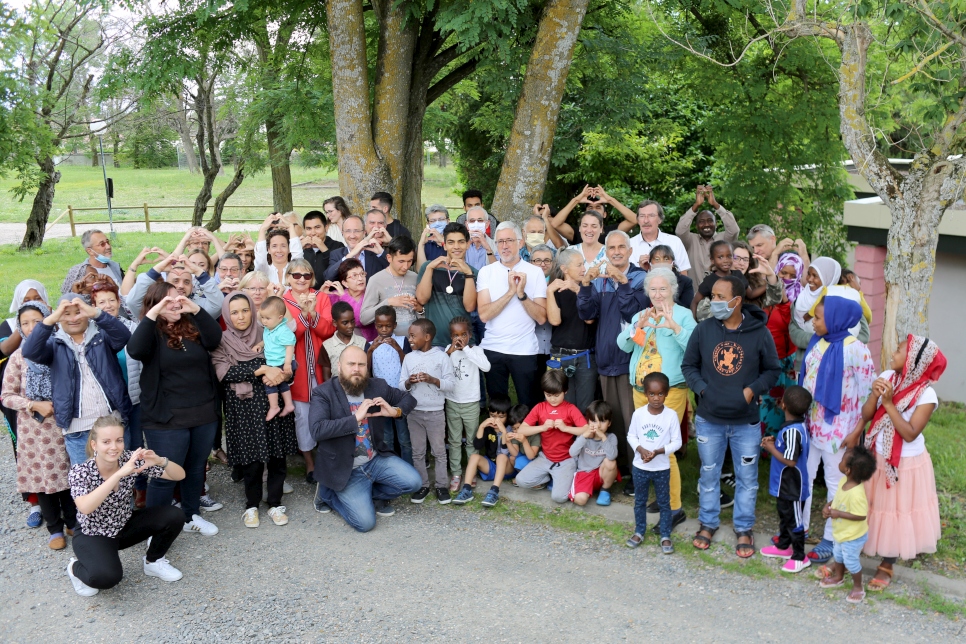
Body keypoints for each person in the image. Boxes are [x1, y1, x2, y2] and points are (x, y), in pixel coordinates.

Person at [682, 275, 780, 557]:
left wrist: (752, 390)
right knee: (709, 473)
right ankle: (708, 523)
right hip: (709, 419)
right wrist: (703, 391)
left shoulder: (759, 332)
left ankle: (744, 527)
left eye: (720, 297)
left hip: (746, 423)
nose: (714, 302)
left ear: (737, 301)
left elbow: (772, 370)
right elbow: (689, 366)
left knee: (747, 478)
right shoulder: (703, 330)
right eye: (712, 296)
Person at [849, 335, 945, 592]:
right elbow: (868, 415)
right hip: (876, 455)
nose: (894, 352)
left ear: (913, 360)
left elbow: (910, 432)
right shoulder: (889, 376)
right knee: (872, 505)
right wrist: (874, 395)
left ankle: (887, 563)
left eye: (900, 350)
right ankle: (855, 550)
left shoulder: (927, 394)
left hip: (904, 462)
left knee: (895, 511)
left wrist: (889, 403)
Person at [128, 282, 223, 537]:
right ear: (155, 304)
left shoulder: (192, 326)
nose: (174, 304)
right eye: (166, 301)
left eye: (178, 299)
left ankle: (191, 515)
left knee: (195, 467)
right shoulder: (150, 332)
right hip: (166, 418)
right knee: (164, 472)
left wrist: (196, 309)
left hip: (203, 412)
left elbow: (215, 339)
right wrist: (153, 314)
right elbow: (135, 350)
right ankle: (155, 527)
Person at [66, 414, 187, 596]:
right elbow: (85, 507)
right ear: (94, 445)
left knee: (175, 515)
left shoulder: (130, 460)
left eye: (119, 440)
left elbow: (179, 476)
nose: (114, 447)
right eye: (106, 442)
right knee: (106, 578)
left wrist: (160, 461)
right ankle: (74, 568)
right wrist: (119, 474)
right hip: (93, 533)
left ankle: (153, 562)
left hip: (124, 524)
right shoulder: (80, 472)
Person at [798, 294, 874, 564]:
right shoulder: (818, 344)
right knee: (803, 477)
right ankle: (800, 528)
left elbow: (868, 395)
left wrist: (857, 431)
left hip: (840, 432)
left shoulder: (856, 349)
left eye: (818, 318)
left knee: (834, 484)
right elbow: (807, 381)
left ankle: (830, 538)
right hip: (811, 424)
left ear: (834, 319)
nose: (814, 323)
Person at [211, 292, 298, 529]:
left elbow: (287, 361)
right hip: (243, 409)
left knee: (277, 457)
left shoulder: (268, 331)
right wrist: (261, 370)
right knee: (251, 460)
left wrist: (281, 372)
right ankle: (251, 505)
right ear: (227, 315)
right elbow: (225, 373)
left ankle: (275, 503)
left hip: (273, 404)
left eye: (245, 310)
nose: (241, 316)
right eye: (235, 312)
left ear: (254, 311)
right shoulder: (222, 340)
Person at [309, 346, 420, 530]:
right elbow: (317, 430)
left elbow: (408, 398)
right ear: (339, 366)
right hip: (346, 470)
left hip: (375, 460)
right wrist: (355, 419)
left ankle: (373, 496)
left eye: (361, 364)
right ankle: (328, 495)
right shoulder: (323, 393)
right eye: (351, 364)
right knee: (365, 523)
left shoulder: (377, 386)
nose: (356, 369)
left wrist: (395, 411)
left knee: (414, 482)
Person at [617, 267, 695, 526]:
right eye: (653, 289)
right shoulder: (643, 314)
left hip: (669, 391)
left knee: (664, 450)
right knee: (646, 447)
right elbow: (623, 345)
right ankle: (662, 499)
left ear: (673, 289)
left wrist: (674, 327)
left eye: (663, 289)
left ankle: (674, 508)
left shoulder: (683, 315)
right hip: (640, 390)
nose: (658, 294)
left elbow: (695, 348)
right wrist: (637, 326)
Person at [22, 293, 132, 466]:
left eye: (78, 311)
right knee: (86, 486)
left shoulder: (101, 336)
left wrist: (96, 313)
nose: (73, 318)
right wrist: (50, 320)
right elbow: (29, 351)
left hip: (113, 423)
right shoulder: (54, 344)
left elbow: (123, 336)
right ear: (58, 316)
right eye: (66, 313)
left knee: (120, 480)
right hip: (78, 430)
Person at [2, 301, 76, 550]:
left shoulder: (59, 348)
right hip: (34, 430)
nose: (31, 327)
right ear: (19, 328)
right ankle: (55, 529)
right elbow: (6, 396)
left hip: (64, 425)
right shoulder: (17, 357)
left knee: (67, 476)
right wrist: (33, 404)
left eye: (37, 320)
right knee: (43, 480)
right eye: (25, 323)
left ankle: (73, 522)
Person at [577, 230, 647, 488]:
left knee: (633, 418)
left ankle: (637, 470)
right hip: (606, 358)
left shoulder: (641, 278)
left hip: (632, 359)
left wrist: (623, 281)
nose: (616, 251)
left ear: (630, 251)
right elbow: (586, 313)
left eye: (621, 247)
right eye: (611, 248)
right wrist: (585, 284)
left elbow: (633, 314)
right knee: (612, 417)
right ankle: (616, 469)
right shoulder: (599, 280)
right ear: (605, 252)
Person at [476, 222, 548, 408]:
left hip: (524, 350)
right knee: (498, 407)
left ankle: (527, 437)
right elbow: (484, 315)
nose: (505, 246)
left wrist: (522, 294)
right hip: (493, 348)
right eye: (500, 242)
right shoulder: (486, 272)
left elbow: (541, 317)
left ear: (521, 242)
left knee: (528, 404)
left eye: (509, 240)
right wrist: (510, 292)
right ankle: (500, 437)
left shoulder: (535, 272)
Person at [90, 280, 149, 507]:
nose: (107, 306)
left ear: (119, 302)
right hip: (106, 406)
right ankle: (114, 493)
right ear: (93, 305)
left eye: (111, 300)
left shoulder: (132, 328)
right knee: (110, 449)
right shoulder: (90, 332)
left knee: (134, 446)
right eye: (101, 302)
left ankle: (140, 488)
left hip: (133, 399)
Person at [280, 259, 336, 485]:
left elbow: (328, 330)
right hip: (298, 369)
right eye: (296, 275)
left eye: (306, 275)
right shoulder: (282, 302)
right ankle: (309, 462)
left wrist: (313, 314)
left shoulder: (322, 297)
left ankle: (326, 457)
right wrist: (305, 315)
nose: (301, 279)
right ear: (288, 277)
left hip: (322, 367)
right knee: (302, 416)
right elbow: (289, 335)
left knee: (325, 412)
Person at [1, 279, 50, 527]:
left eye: (38, 297)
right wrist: (24, 328)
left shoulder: (53, 323)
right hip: (19, 401)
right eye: (26, 298)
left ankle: (65, 505)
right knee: (27, 450)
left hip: (53, 406)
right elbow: (2, 351)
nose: (32, 301)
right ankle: (35, 503)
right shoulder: (10, 326)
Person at [400, 319, 455, 504]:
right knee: (418, 452)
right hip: (414, 413)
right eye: (409, 335)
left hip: (435, 413)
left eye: (413, 336)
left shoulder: (441, 357)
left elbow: (450, 384)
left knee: (439, 452)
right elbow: (400, 385)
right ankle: (422, 485)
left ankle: (441, 486)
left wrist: (433, 380)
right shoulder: (409, 358)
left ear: (427, 337)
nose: (410, 339)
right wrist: (409, 382)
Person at [626, 372, 682, 554]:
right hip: (640, 467)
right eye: (652, 394)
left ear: (666, 393)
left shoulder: (671, 416)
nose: (656, 398)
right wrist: (641, 450)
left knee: (664, 503)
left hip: (661, 468)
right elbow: (631, 435)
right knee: (640, 501)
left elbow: (677, 442)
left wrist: (659, 451)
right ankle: (639, 531)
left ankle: (665, 535)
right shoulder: (639, 414)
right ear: (645, 394)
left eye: (660, 394)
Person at [760, 385, 813, 572]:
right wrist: (776, 444)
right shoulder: (795, 427)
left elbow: (791, 461)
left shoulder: (793, 431)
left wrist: (771, 449)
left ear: (782, 405)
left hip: (793, 486)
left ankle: (800, 556)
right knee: (785, 516)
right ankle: (783, 546)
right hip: (784, 485)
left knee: (794, 521)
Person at [514, 370, 588, 503]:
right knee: (521, 481)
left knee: (558, 498)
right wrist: (542, 427)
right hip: (545, 458)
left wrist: (566, 428)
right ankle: (549, 477)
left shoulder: (570, 409)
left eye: (556, 395)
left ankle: (565, 478)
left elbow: (586, 430)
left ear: (565, 391)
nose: (552, 399)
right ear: (544, 392)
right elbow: (522, 430)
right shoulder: (540, 407)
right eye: (548, 395)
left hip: (566, 460)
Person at [818, 444, 877, 604]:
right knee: (838, 555)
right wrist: (829, 506)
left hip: (853, 536)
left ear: (848, 469)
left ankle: (858, 587)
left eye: (843, 460)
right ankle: (838, 577)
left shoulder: (857, 494)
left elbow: (860, 515)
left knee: (850, 561)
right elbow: (838, 498)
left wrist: (838, 513)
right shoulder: (844, 481)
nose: (841, 460)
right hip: (841, 532)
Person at [546, 248, 597, 414]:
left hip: (585, 357)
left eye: (583, 264)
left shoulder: (589, 289)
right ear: (564, 269)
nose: (584, 268)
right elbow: (554, 320)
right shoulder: (554, 290)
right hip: (560, 357)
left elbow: (590, 318)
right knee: (562, 407)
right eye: (579, 265)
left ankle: (582, 440)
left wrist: (578, 290)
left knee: (585, 407)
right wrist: (549, 292)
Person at [759, 252, 804, 438]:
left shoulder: (801, 299)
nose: (786, 278)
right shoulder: (764, 292)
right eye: (783, 273)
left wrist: (785, 301)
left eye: (792, 275)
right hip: (764, 357)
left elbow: (791, 323)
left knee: (784, 401)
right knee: (764, 401)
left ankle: (782, 439)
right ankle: (762, 444)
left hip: (786, 360)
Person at [443, 316, 490, 491]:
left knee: (471, 440)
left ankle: (471, 472)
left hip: (471, 403)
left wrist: (467, 351)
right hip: (453, 402)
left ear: (470, 335)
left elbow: (486, 367)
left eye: (463, 334)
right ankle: (456, 473)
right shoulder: (448, 351)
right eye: (456, 335)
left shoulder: (476, 350)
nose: (459, 338)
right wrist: (450, 352)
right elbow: (439, 368)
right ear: (451, 336)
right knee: (454, 440)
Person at [416, 222, 478, 348]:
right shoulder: (429, 267)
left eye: (461, 242)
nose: (456, 246)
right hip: (434, 342)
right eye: (451, 242)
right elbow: (422, 299)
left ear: (467, 244)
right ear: (444, 245)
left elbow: (470, 307)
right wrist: (429, 269)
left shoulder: (474, 273)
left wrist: (468, 274)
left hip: (463, 343)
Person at [366, 307, 411, 464]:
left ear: (395, 325)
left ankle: (408, 467)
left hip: (399, 396)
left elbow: (408, 365)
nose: (384, 330)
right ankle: (392, 467)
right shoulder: (370, 344)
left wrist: (397, 348)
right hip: (381, 397)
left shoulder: (402, 341)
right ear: (375, 326)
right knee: (387, 437)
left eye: (388, 326)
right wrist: (371, 350)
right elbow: (367, 370)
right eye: (380, 326)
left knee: (404, 436)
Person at [125, 252, 224, 320]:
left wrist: (198, 271)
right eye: (175, 281)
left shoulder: (196, 305)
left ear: (192, 286)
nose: (180, 286)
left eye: (186, 282)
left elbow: (218, 305)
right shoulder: (154, 305)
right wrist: (156, 270)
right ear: (166, 282)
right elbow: (132, 301)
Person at [360, 236, 423, 343]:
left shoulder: (415, 277)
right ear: (389, 258)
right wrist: (388, 302)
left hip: (413, 342)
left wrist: (419, 309)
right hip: (387, 343)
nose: (405, 266)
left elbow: (422, 316)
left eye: (410, 261)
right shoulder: (376, 280)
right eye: (401, 261)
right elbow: (364, 318)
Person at [675, 185, 740, 283]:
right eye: (701, 221)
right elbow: (680, 230)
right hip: (695, 296)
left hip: (721, 295)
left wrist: (715, 204)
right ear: (696, 226)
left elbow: (734, 230)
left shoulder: (724, 240)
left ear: (716, 224)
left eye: (710, 221)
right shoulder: (690, 240)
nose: (706, 224)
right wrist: (696, 205)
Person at [452, 409, 512, 508]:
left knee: (501, 457)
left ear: (508, 417)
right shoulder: (488, 429)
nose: (496, 420)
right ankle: (467, 489)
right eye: (492, 416)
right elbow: (477, 446)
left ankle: (494, 491)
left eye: (501, 417)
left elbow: (505, 452)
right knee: (474, 457)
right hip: (492, 467)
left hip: (507, 468)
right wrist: (482, 426)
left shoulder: (510, 429)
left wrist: (503, 432)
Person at [547, 185, 637, 245]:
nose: (594, 210)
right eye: (590, 208)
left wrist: (610, 200)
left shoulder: (612, 231)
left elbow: (634, 219)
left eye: (598, 207)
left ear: (604, 214)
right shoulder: (577, 232)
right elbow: (555, 223)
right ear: (585, 213)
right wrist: (576, 200)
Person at [254, 296, 297, 421]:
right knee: (282, 384)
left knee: (268, 381)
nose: (264, 321)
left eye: (267, 318)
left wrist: (288, 364)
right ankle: (288, 405)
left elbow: (289, 347)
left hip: (284, 362)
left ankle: (274, 407)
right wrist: (259, 345)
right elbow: (267, 341)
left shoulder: (283, 330)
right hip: (276, 362)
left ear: (279, 318)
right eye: (262, 318)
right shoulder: (269, 329)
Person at [569, 400, 618, 507]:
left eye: (603, 421)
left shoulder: (611, 437)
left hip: (601, 473)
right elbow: (572, 453)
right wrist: (584, 436)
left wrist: (603, 437)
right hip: (584, 473)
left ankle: (605, 491)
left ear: (609, 423)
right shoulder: (584, 436)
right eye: (594, 421)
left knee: (610, 462)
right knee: (580, 500)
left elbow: (612, 456)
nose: (599, 425)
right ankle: (583, 490)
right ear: (588, 422)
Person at [690, 241, 750, 320]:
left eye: (729, 256)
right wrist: (693, 325)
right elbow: (695, 302)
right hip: (718, 320)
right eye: (720, 257)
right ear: (712, 260)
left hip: (738, 319)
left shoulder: (738, 274)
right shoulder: (709, 280)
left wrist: (768, 282)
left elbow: (751, 294)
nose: (725, 260)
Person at [323, 214, 390, 283]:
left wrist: (381, 252)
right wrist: (350, 255)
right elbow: (328, 278)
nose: (352, 236)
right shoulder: (336, 254)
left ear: (364, 233)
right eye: (348, 231)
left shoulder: (374, 252)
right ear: (342, 233)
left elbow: (395, 272)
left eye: (357, 231)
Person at [629, 200, 690, 273]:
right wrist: (641, 270)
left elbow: (683, 275)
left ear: (660, 219)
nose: (646, 221)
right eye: (642, 216)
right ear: (638, 220)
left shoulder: (674, 242)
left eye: (651, 215)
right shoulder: (628, 244)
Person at [324, 258, 375, 342]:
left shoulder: (371, 293)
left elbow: (360, 320)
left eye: (362, 274)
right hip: (342, 342)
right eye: (354, 275)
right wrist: (322, 294)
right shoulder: (336, 295)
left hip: (369, 342)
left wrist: (344, 297)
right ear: (345, 283)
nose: (360, 278)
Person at [61, 230, 124, 294]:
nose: (108, 246)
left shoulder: (116, 267)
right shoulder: (78, 272)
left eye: (108, 242)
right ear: (90, 251)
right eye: (102, 244)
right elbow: (66, 298)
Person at [320, 301, 367, 381]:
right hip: (336, 391)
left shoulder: (363, 342)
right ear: (335, 323)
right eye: (345, 323)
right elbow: (326, 377)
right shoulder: (327, 346)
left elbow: (367, 372)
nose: (350, 326)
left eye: (352, 321)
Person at [300, 210, 345, 289]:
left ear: (326, 228)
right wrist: (298, 249)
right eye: (308, 229)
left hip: (331, 294)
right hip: (306, 295)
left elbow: (339, 272)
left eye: (317, 227)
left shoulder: (338, 246)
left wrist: (324, 249)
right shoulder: (301, 248)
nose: (313, 233)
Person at [731, 241, 782, 309]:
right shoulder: (715, 280)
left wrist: (771, 275)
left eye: (746, 259)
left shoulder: (752, 284)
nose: (741, 263)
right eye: (736, 258)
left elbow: (775, 299)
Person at [255, 214, 304, 285]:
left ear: (289, 249)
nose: (279, 250)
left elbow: (298, 256)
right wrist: (262, 230)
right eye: (274, 246)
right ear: (268, 249)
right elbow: (260, 261)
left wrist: (291, 227)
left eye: (283, 246)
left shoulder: (295, 269)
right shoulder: (264, 270)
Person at [463, 206, 498, 271]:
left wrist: (488, 249)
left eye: (480, 220)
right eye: (472, 221)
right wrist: (464, 245)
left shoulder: (496, 246)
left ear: (487, 224)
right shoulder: (461, 244)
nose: (476, 224)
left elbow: (498, 270)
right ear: (467, 225)